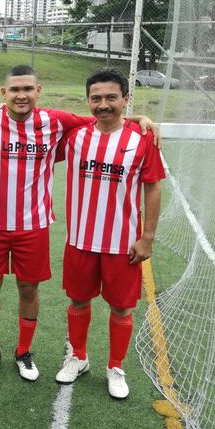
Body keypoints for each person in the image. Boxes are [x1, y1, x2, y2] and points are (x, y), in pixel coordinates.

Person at [0, 65, 159, 381]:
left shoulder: (54, 121)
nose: (21, 95)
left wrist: (136, 120)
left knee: (29, 288)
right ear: (3, 93)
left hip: (34, 225)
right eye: (14, 89)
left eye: (28, 89)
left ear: (38, 91)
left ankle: (24, 353)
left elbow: (102, 119)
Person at [55, 67, 165, 399]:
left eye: (111, 98)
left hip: (122, 243)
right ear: (88, 101)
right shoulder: (74, 136)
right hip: (80, 240)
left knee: (121, 308)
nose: (103, 105)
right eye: (96, 98)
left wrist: (148, 237)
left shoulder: (141, 139)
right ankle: (79, 357)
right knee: (78, 299)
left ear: (125, 99)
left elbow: (153, 188)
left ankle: (115, 365)